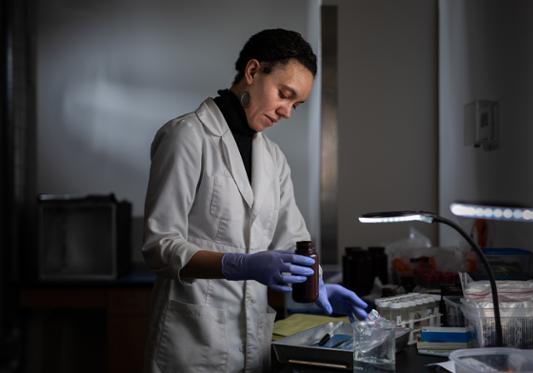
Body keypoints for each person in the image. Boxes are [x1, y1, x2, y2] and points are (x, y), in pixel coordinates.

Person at [142, 28, 368, 373]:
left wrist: (318, 281)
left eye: (296, 104)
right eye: (284, 94)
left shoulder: (273, 158)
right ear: (252, 72)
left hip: (251, 346)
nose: (287, 112)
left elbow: (292, 240)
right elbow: (160, 246)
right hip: (191, 346)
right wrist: (240, 264)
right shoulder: (186, 137)